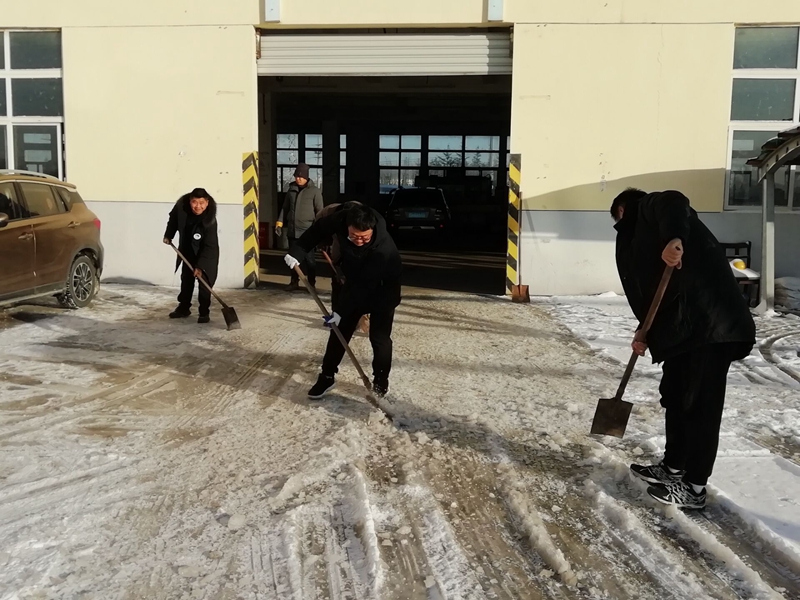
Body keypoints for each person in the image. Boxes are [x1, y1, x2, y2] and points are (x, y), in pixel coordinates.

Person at [611, 188, 755, 509]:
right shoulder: (646, 239)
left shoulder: (651, 207)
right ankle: (673, 466)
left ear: (622, 209)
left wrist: (674, 238)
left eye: (618, 219)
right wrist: (645, 330)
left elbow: (673, 199)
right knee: (676, 396)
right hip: (684, 329)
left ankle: (695, 487)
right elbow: (654, 293)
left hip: (711, 325)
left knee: (702, 405)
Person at [284, 203, 401, 399]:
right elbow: (318, 229)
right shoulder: (340, 219)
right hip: (354, 280)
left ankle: (380, 383)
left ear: (372, 230)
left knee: (379, 338)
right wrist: (297, 252)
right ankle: (327, 376)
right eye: (354, 236)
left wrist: (340, 310)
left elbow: (362, 286)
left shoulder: (383, 250)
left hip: (383, 288)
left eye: (364, 238)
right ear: (347, 226)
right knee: (339, 331)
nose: (359, 241)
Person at [163, 188, 219, 324]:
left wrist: (200, 266)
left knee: (205, 282)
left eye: (201, 203)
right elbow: (173, 219)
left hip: (206, 253)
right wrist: (169, 234)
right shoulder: (181, 208)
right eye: (195, 202)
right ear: (190, 201)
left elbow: (210, 246)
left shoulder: (210, 219)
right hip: (188, 249)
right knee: (186, 280)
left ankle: (204, 312)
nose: (198, 206)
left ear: (207, 202)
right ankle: (183, 308)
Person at [275, 163, 324, 291]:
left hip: (308, 232)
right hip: (292, 231)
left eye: (301, 177)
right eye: (296, 176)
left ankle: (311, 284)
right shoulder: (291, 190)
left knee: (310, 260)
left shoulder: (315, 192)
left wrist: (319, 230)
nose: (298, 179)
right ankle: (294, 282)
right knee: (293, 260)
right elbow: (285, 208)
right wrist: (279, 222)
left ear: (306, 177)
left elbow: (320, 212)